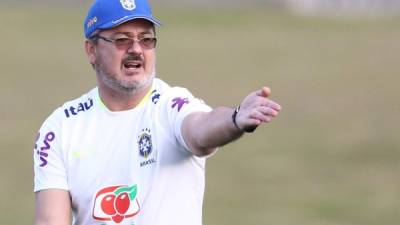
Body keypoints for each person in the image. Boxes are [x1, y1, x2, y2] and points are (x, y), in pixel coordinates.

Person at [33, 0, 282, 224]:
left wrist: (235, 119)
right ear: (91, 50)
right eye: (122, 39)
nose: (136, 49)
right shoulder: (60, 128)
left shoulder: (172, 104)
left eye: (146, 39)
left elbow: (201, 129)